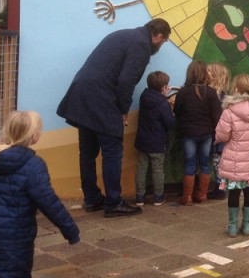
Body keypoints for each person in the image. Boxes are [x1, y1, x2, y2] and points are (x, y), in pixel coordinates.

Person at [57, 18, 171, 217]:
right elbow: (126, 81)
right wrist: (123, 110)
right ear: (159, 37)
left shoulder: (125, 35)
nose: (161, 45)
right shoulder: (141, 45)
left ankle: (92, 199)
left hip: (82, 93)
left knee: (87, 152)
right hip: (102, 97)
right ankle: (113, 202)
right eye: (164, 41)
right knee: (112, 150)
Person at [0, 111, 80, 278]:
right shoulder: (33, 165)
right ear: (33, 136)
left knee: (18, 267)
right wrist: (70, 230)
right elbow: (49, 202)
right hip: (16, 234)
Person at [215, 73, 249, 237]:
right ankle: (247, 226)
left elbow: (222, 135)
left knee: (234, 193)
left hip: (235, 160)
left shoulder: (229, 111)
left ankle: (232, 226)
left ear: (236, 89)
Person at [174, 60, 223, 205]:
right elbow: (216, 116)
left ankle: (187, 196)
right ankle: (202, 194)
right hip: (206, 134)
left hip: (188, 133)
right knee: (204, 163)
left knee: (190, 163)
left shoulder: (183, 92)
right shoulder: (211, 92)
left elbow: (177, 112)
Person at [134, 71, 176, 207]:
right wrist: (171, 108)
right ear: (163, 87)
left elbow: (155, 101)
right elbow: (170, 124)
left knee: (141, 168)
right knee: (157, 169)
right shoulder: (163, 104)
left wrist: (163, 96)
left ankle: (139, 197)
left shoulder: (144, 96)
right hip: (157, 142)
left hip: (142, 141)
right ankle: (158, 197)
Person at [206, 62, 231, 200]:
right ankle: (219, 186)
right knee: (217, 161)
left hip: (219, 136)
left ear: (216, 76)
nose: (206, 73)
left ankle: (220, 189)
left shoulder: (219, 96)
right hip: (218, 134)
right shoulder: (223, 95)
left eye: (209, 71)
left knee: (218, 162)